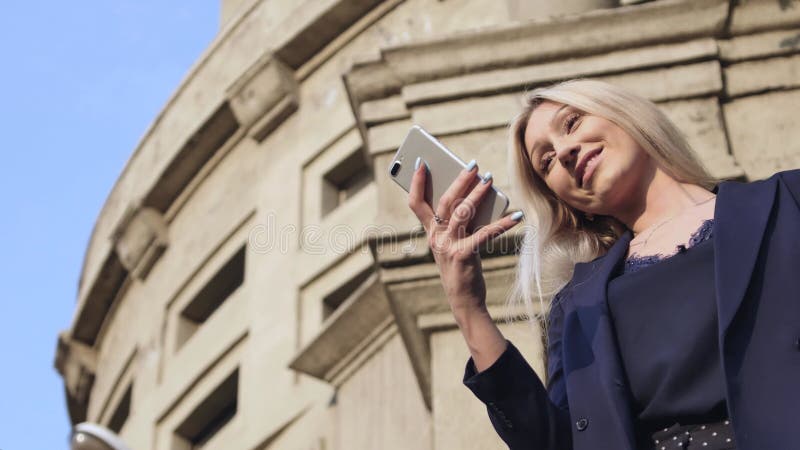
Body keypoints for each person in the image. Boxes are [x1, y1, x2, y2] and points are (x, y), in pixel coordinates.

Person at [406, 79, 800, 450]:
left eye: (572, 123)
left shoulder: (788, 202)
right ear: (564, 201)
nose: (563, 152)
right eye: (547, 162)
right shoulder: (578, 308)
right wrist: (467, 306)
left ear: (623, 113)